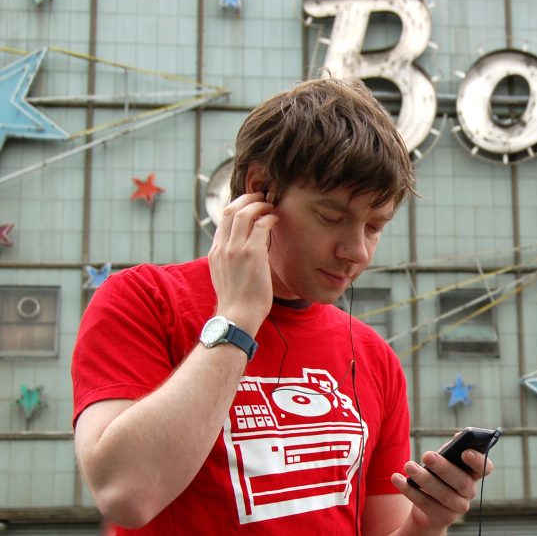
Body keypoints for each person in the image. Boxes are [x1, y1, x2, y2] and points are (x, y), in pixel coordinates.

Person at [71, 77, 492, 534]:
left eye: (375, 226)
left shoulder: (375, 358)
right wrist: (237, 319)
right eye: (333, 217)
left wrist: (426, 524)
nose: (358, 251)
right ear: (260, 189)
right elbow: (125, 494)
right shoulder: (145, 300)